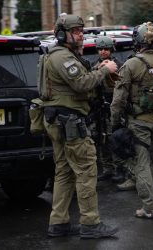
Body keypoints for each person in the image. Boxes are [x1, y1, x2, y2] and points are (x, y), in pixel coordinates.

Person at [41, 14, 118, 238]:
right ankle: (91, 224)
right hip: (69, 123)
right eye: (75, 31)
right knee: (86, 170)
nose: (81, 34)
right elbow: (81, 83)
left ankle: (59, 223)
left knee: (64, 172)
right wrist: (106, 70)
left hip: (61, 121)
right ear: (62, 34)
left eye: (81, 31)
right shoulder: (61, 57)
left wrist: (97, 68)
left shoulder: (64, 55)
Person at [110, 21, 153, 219]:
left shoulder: (131, 64)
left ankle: (149, 207)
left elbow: (118, 99)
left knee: (141, 164)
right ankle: (152, 201)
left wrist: (114, 123)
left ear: (138, 41)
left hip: (139, 123)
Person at [91, 35, 128, 183]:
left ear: (111, 49)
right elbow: (90, 80)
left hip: (114, 106)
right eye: (100, 49)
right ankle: (107, 169)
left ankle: (120, 169)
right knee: (101, 139)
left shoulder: (118, 64)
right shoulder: (94, 65)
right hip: (99, 107)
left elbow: (124, 84)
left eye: (106, 49)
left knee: (116, 139)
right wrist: (98, 69)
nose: (103, 52)